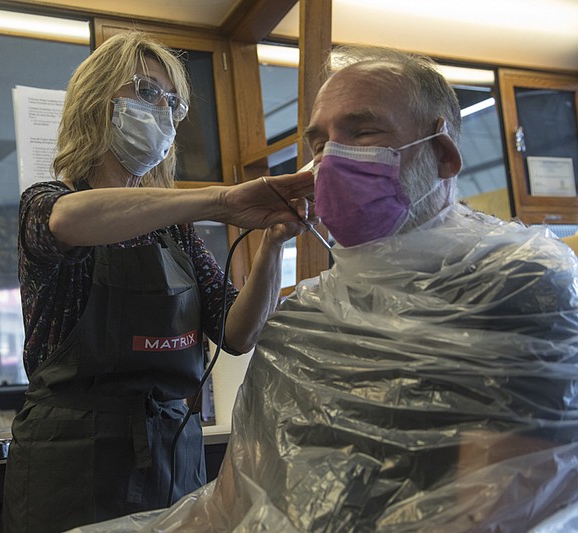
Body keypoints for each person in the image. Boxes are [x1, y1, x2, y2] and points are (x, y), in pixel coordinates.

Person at [72, 46, 578, 532]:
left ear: (443, 155)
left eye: (363, 132)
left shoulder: (521, 283)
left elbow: (495, 508)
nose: (330, 160)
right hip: (85, 450)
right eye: (319, 144)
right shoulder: (305, 322)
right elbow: (234, 507)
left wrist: (269, 244)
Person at [2, 30, 315, 533]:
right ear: (96, 100)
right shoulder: (46, 202)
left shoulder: (174, 228)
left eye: (174, 103)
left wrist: (275, 243)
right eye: (146, 91)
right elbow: (68, 222)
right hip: (74, 462)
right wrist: (220, 201)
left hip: (173, 453)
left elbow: (237, 333)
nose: (163, 111)